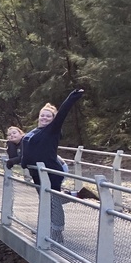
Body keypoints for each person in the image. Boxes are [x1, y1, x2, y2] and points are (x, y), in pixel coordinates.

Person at [20, 89, 84, 243]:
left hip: (51, 171)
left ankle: (57, 233)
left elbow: (62, 113)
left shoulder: (52, 131)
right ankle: (74, 196)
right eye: (42, 115)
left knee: (54, 203)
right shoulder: (34, 131)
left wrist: (71, 98)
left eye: (48, 116)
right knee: (46, 201)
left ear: (53, 119)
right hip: (37, 172)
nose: (44, 117)